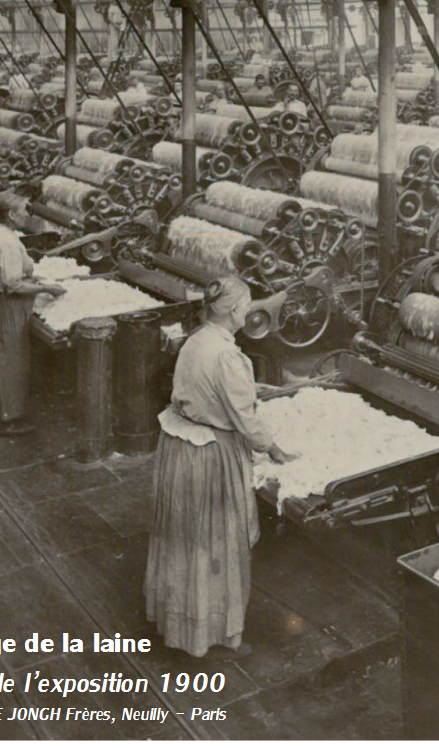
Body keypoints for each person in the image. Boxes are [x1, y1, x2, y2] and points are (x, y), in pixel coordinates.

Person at [146, 275, 293, 658]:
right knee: (216, 544)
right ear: (233, 311)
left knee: (185, 542)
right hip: (210, 456)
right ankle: (217, 635)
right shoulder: (228, 356)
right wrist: (274, 449)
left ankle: (179, 625)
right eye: (247, 305)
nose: (250, 311)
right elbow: (245, 420)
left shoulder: (196, 340)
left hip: (180, 449)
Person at [0, 196, 65, 436]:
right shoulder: (7, 242)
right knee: (9, 362)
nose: (27, 214)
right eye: (23, 210)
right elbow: (12, 285)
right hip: (5, 306)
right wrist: (47, 288)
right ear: (11, 215)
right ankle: (6, 420)